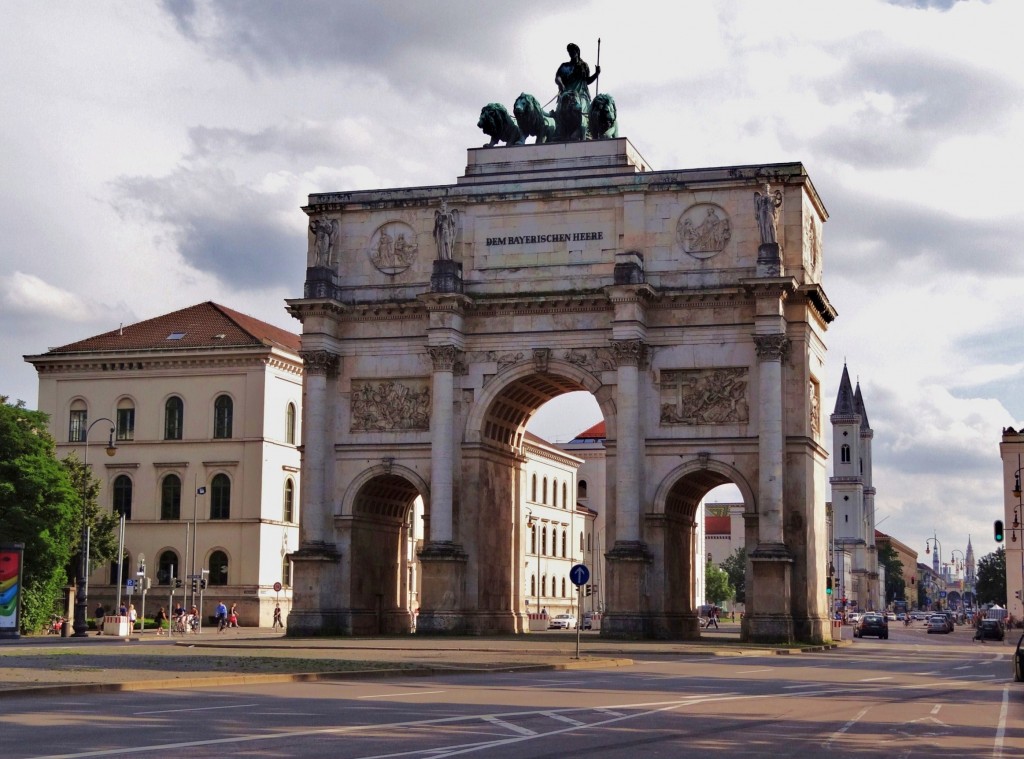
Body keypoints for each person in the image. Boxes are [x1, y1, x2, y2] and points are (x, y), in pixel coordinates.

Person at [554, 43, 601, 111]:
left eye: (572, 51)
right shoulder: (565, 66)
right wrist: (561, 84)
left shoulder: (584, 66)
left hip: (581, 94)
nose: (570, 53)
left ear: (577, 51)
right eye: (569, 52)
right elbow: (558, 77)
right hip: (567, 94)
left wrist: (596, 74)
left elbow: (587, 81)